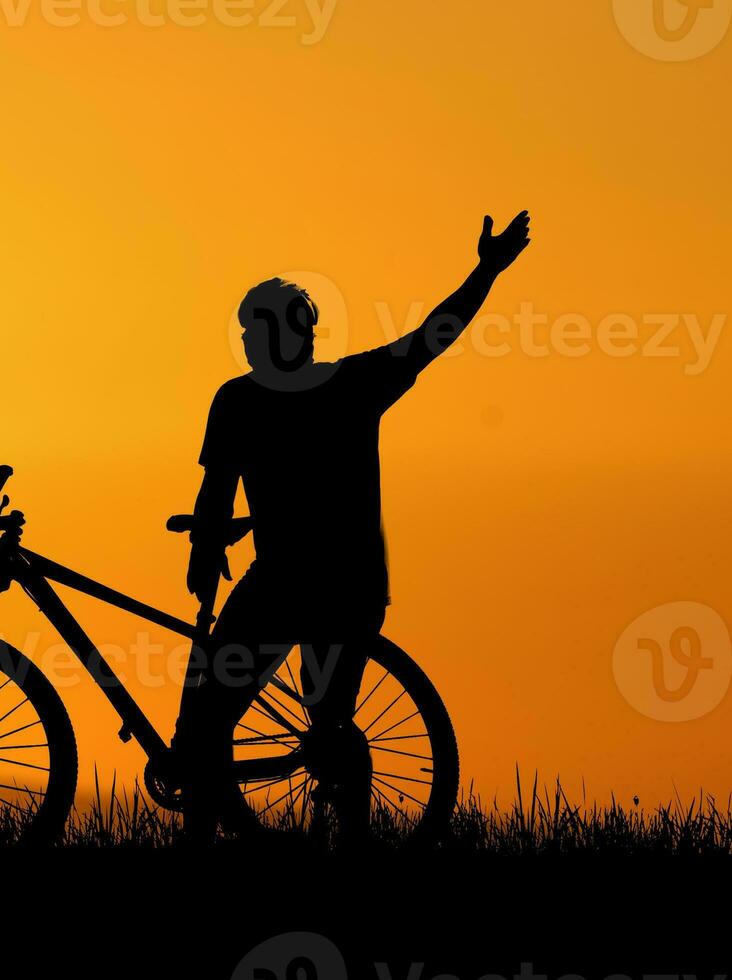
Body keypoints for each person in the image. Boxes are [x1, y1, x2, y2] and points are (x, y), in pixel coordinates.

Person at [175, 212, 534, 845]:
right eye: (248, 331)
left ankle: (238, 842)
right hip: (336, 584)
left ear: (290, 335)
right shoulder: (332, 388)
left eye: (259, 330)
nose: (253, 342)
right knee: (323, 729)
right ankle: (345, 842)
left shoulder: (266, 396)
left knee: (226, 724)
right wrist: (487, 270)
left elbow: (434, 334)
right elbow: (432, 337)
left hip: (300, 585)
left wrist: (486, 271)